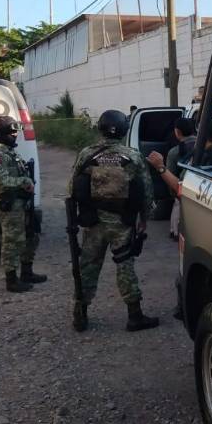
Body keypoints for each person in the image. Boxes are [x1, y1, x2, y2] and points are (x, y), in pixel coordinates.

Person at [69, 110, 159, 332]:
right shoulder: (133, 156)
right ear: (124, 130)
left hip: (93, 222)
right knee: (125, 264)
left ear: (100, 128)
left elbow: (73, 187)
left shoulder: (86, 154)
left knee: (88, 265)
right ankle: (135, 315)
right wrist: (144, 218)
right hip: (122, 222)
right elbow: (146, 191)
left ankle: (80, 314)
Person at [0, 115, 46, 293]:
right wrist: (24, 181)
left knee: (31, 235)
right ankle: (11, 279)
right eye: (12, 133)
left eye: (16, 132)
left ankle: (27, 272)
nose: (15, 135)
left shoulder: (7, 150)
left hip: (22, 202)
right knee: (12, 241)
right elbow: (1, 181)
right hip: (9, 204)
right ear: (1, 134)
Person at [162, 117, 197, 240]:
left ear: (177, 132)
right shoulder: (204, 145)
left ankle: (175, 232)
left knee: (178, 205)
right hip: (202, 187)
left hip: (183, 187)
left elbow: (169, 174)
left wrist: (173, 193)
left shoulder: (174, 152)